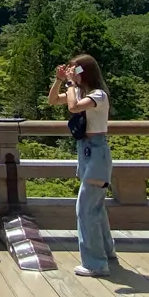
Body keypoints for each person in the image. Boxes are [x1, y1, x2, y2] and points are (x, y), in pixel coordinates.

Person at [51, 54, 116, 277]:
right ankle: (107, 253)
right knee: (95, 207)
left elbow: (74, 108)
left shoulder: (98, 95)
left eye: (75, 70)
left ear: (85, 72)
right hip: (86, 150)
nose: (72, 73)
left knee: (85, 208)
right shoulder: (79, 91)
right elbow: (53, 101)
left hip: (97, 152)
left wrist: (70, 84)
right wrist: (59, 80)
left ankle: (96, 264)